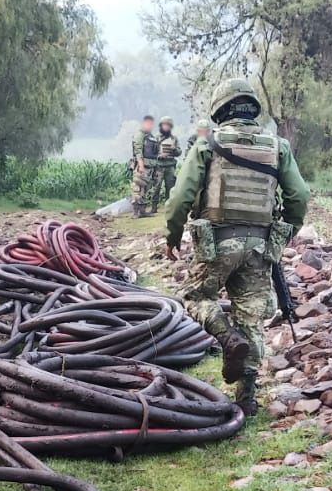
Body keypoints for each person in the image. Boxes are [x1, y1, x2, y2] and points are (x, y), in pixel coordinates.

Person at [163, 77, 309, 417]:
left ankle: (226, 338)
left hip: (217, 243)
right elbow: (299, 196)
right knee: (251, 316)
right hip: (260, 246)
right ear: (251, 107)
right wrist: (287, 232)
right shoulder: (278, 147)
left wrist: (172, 237)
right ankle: (247, 395)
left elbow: (180, 197)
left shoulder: (207, 145)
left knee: (196, 296)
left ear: (220, 109)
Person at [141, 116, 182, 213]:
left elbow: (179, 152)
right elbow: (151, 152)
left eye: (167, 125)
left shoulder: (174, 139)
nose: (166, 127)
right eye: (164, 125)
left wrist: (174, 149)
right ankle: (154, 207)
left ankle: (169, 207)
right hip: (159, 166)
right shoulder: (156, 138)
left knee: (170, 188)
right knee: (156, 187)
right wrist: (159, 156)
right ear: (161, 126)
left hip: (170, 166)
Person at [129, 114, 156, 216]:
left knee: (145, 189)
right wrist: (141, 166)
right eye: (149, 124)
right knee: (138, 189)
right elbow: (138, 151)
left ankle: (142, 211)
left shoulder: (150, 136)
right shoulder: (139, 135)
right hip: (141, 166)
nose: (151, 126)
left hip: (149, 167)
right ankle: (136, 212)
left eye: (152, 124)